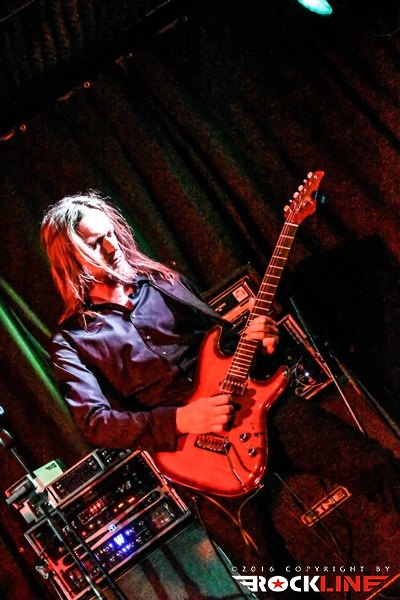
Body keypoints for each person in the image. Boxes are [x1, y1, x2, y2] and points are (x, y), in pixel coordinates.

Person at [41, 191, 400, 577]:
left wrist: (262, 343)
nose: (112, 246)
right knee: (263, 570)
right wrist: (183, 419)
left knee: (380, 468)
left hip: (256, 410)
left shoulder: (164, 281)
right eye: (96, 243)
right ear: (70, 257)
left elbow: (225, 346)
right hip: (197, 455)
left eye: (111, 233)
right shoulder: (72, 340)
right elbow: (95, 423)